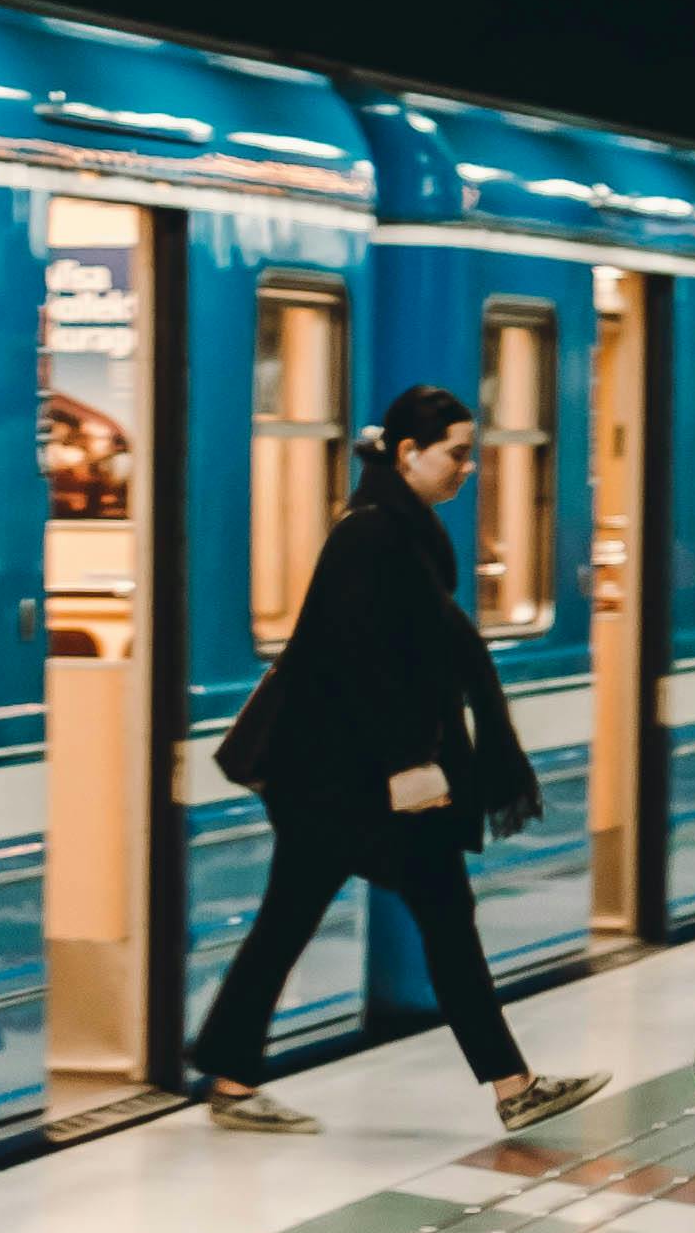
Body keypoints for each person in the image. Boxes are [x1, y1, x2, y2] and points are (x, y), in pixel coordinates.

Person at [187, 387, 611, 1139]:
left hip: (336, 777)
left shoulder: (400, 531)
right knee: (433, 918)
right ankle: (513, 1085)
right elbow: (359, 664)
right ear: (410, 454)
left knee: (311, 919)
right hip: (347, 780)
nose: (468, 467)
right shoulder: (374, 534)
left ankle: (233, 1070)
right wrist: (409, 764)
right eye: (455, 452)